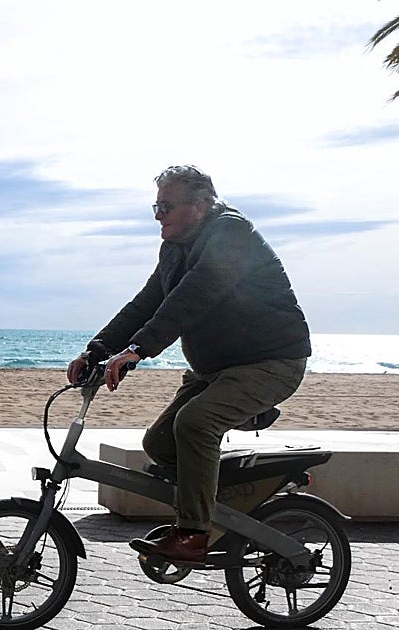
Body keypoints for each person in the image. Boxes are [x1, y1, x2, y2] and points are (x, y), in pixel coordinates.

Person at [66, 165, 311, 563]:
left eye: (166, 206)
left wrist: (138, 350)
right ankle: (226, 501)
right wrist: (96, 351)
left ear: (199, 205)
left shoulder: (231, 235)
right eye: (155, 206)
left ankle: (194, 533)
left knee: (195, 425)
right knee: (159, 444)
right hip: (215, 368)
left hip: (271, 361)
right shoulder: (175, 247)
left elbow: (192, 298)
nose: (158, 215)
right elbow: (147, 303)